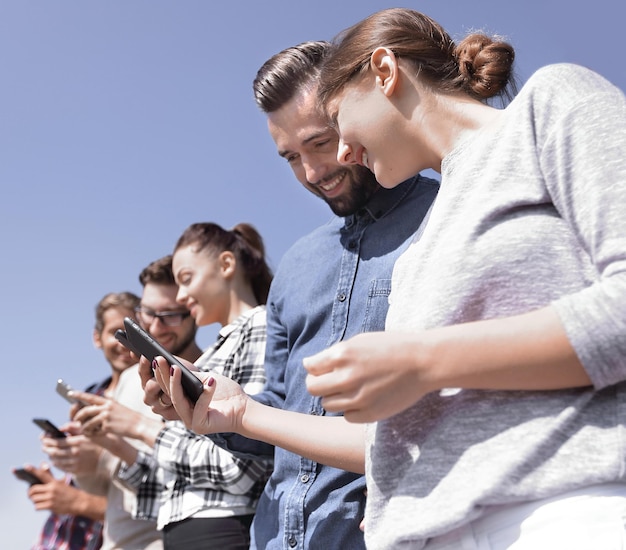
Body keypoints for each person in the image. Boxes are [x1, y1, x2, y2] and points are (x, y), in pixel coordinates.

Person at [300, 7, 626, 549]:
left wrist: (421, 360)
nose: (341, 154)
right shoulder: (417, 252)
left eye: (338, 123)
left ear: (384, 70)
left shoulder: (549, 104)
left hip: (555, 516)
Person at [151, 41, 438, 549]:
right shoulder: (297, 267)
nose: (312, 173)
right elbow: (277, 415)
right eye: (290, 157)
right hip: (273, 537)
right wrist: (209, 408)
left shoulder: (446, 218)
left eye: (320, 143)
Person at [78, 233, 273, 550]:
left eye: (169, 314)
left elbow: (242, 469)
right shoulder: (212, 355)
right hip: (181, 532)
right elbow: (169, 490)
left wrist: (141, 428)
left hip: (221, 530)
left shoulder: (253, 332)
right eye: (146, 315)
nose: (155, 328)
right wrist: (112, 441)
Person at [42, 291, 163, 549]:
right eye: (115, 332)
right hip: (66, 536)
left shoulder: (157, 395)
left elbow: (156, 489)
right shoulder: (90, 397)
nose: (123, 342)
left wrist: (78, 500)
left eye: (132, 333)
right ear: (97, 338)